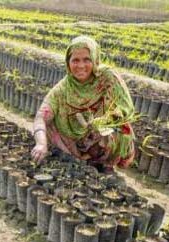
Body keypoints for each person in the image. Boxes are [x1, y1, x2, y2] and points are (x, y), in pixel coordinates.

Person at [31, 35, 136, 173]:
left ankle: (106, 164)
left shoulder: (107, 78)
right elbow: (41, 117)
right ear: (68, 63)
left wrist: (102, 122)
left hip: (103, 135)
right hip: (76, 143)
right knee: (49, 125)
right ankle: (84, 160)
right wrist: (41, 143)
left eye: (87, 59)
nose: (81, 66)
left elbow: (125, 108)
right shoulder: (63, 89)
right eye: (75, 60)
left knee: (119, 128)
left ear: (95, 59)